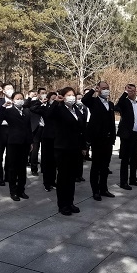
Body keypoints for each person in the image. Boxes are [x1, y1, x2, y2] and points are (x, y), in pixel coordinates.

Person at [48, 87, 87, 215]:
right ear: (63, 97)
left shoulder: (76, 109)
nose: (71, 97)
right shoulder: (59, 109)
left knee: (71, 177)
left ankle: (70, 202)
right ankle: (62, 205)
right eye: (68, 95)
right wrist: (56, 102)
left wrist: (83, 146)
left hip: (75, 148)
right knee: (63, 177)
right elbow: (49, 115)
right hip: (62, 148)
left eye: (73, 95)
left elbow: (81, 128)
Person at [82, 82, 117, 201]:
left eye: (107, 88)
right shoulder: (94, 102)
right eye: (103, 88)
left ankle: (104, 188)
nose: (106, 90)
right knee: (96, 166)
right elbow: (85, 100)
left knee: (105, 166)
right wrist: (93, 90)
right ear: (99, 89)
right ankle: (95, 191)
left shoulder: (110, 104)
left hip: (108, 140)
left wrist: (113, 137)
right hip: (97, 140)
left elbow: (112, 122)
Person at [0, 92, 33, 201]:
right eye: (17, 98)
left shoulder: (26, 111)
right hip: (13, 142)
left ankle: (21, 190)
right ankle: (13, 191)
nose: (19, 100)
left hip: (25, 143)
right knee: (13, 167)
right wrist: (3, 107)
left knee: (22, 168)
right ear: (13, 100)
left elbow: (29, 127)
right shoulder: (9, 111)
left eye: (21, 98)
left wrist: (31, 142)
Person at [115, 83, 137, 190]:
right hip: (127, 135)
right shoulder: (125, 102)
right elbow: (117, 106)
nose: (133, 92)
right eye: (130, 91)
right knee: (125, 159)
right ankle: (123, 182)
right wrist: (125, 93)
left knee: (135, 158)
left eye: (134, 91)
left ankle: (133, 179)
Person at [30, 91, 58, 192]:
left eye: (56, 98)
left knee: (54, 161)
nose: (54, 100)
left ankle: (53, 181)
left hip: (56, 136)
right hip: (47, 136)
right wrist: (41, 101)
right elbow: (33, 108)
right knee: (47, 160)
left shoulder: (59, 108)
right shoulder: (45, 108)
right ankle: (47, 183)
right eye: (53, 99)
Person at [0, 82, 14, 186]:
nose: (10, 90)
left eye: (11, 88)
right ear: (4, 91)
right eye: (8, 89)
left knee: (10, 155)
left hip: (12, 130)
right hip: (1, 130)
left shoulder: (16, 101)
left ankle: (8, 175)